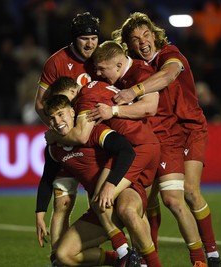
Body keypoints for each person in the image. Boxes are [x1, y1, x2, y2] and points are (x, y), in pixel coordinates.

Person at [111, 12, 221, 267]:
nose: (143, 42)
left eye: (146, 35)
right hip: (163, 135)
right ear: (128, 44)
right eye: (135, 39)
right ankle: (150, 257)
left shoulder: (169, 54)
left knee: (189, 192)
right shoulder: (135, 67)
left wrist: (133, 91)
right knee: (150, 200)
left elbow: (169, 75)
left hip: (190, 129)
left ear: (154, 33)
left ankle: (212, 256)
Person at [85, 40, 207, 267]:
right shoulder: (118, 77)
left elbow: (149, 106)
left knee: (174, 202)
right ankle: (142, 260)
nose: (98, 73)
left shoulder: (141, 72)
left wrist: (113, 110)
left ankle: (200, 260)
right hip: (139, 146)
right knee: (140, 207)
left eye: (102, 68)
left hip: (161, 142)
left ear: (119, 63)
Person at [41, 93, 161, 267]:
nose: (57, 121)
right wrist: (40, 213)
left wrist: (110, 185)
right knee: (63, 255)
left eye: (61, 114)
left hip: (121, 191)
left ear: (73, 112)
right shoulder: (55, 149)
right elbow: (48, 179)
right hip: (101, 210)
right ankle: (120, 259)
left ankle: (142, 261)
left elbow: (126, 151)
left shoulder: (93, 131)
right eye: (51, 118)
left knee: (127, 210)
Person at [34, 12, 100, 264]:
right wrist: (59, 130)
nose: (90, 44)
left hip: (95, 141)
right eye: (84, 39)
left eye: (93, 38)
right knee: (63, 203)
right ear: (74, 39)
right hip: (68, 142)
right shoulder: (56, 62)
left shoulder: (102, 58)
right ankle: (57, 260)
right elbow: (40, 104)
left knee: (100, 201)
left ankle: (129, 252)